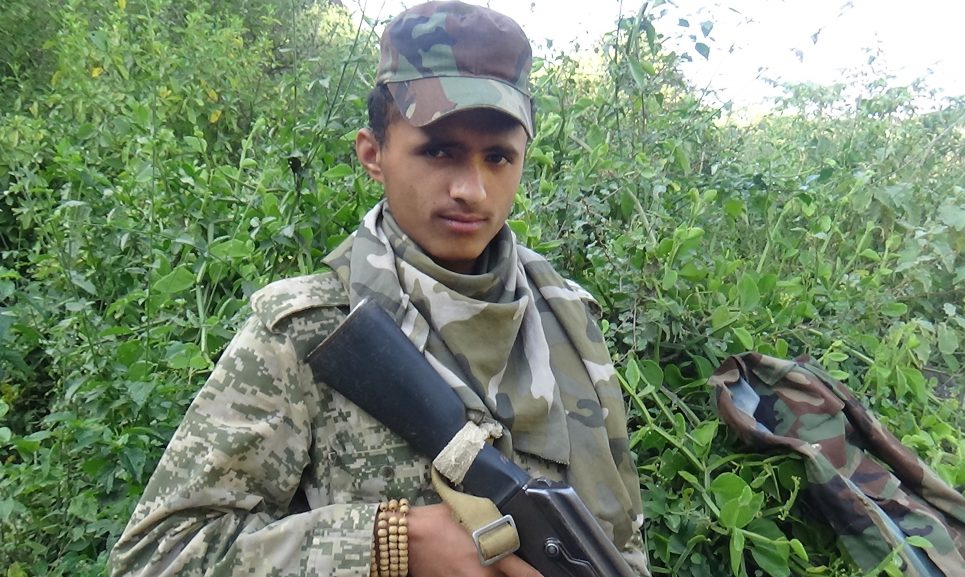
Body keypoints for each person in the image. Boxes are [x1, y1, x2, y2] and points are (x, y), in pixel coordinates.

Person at [108, 2, 650, 576]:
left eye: (498, 157)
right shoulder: (308, 329)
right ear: (373, 153)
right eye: (439, 150)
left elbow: (623, 541)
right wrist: (390, 543)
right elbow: (157, 557)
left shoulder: (569, 319)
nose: (472, 189)